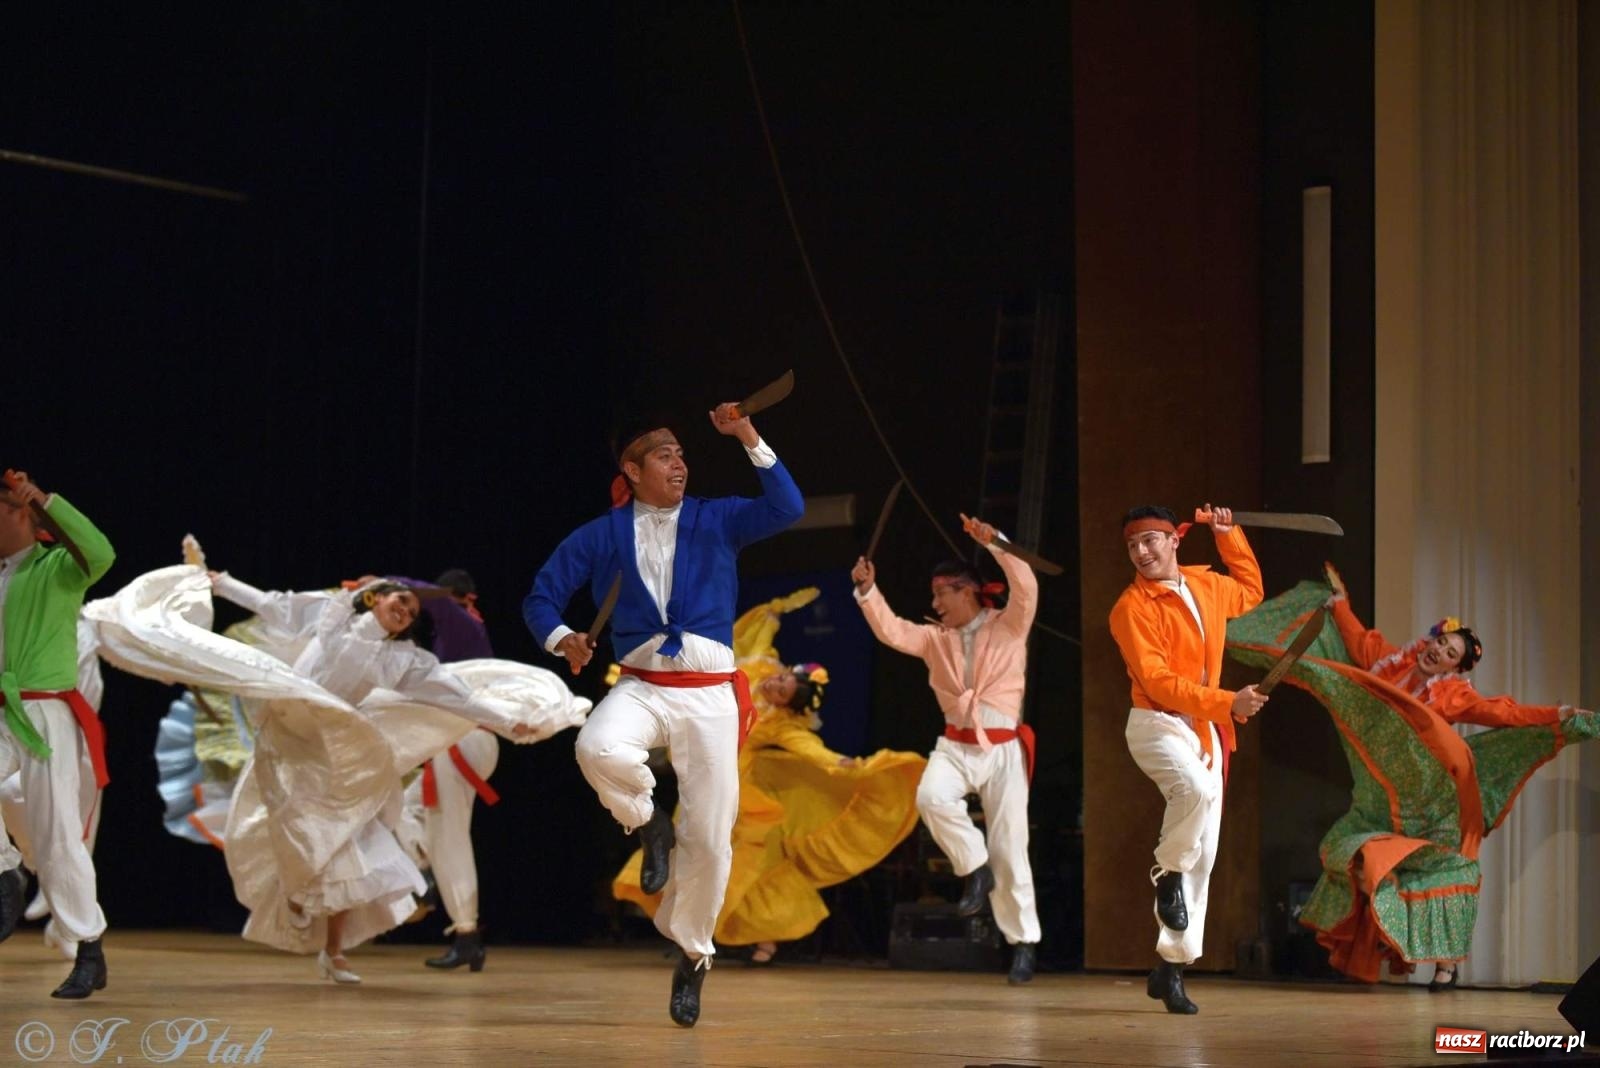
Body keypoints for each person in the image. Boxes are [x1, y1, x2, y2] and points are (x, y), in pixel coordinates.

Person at [85, 552, 576, 985]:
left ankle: (333, 949)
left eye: (409, 610)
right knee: (301, 834)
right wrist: (223, 582)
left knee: (347, 842)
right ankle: (297, 900)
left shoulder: (405, 661)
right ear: (374, 599)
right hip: (289, 736)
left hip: (335, 750)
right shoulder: (334, 614)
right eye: (396, 601)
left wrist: (512, 722)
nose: (404, 610)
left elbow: (458, 697)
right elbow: (275, 605)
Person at [524, 402, 803, 1027]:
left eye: (682, 453)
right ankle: (648, 822)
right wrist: (563, 637)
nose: (680, 463)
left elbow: (788, 507)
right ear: (634, 467)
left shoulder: (717, 518)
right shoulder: (602, 533)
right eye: (664, 455)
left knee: (709, 836)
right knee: (596, 746)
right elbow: (541, 595)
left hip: (709, 696)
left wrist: (747, 435)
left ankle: (694, 955)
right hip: (643, 684)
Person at [1226, 564, 1597, 989]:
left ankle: (1447, 964)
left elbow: (1504, 712)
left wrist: (1557, 715)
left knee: (1448, 871)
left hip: (1429, 802)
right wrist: (1340, 602)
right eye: (1441, 641)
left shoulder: (1453, 695)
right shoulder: (1384, 660)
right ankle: (1388, 944)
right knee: (1358, 858)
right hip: (1381, 798)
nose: (1439, 651)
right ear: (1431, 639)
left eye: (1450, 653)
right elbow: (1354, 635)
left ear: (1455, 669)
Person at [612, 588, 924, 964]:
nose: (774, 686)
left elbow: (812, 751)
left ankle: (762, 939)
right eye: (782, 680)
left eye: (782, 692)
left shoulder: (780, 726)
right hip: (700, 769)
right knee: (688, 848)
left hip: (738, 791)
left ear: (786, 705)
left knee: (745, 862)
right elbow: (758, 637)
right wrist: (772, 614)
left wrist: (843, 765)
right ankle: (688, 932)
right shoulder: (759, 667)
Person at [850, 513, 1042, 985]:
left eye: (942, 594)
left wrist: (995, 541)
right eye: (934, 594)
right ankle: (975, 868)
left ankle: (1022, 944)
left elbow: (1026, 584)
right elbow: (892, 630)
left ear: (967, 590)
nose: (935, 602)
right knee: (931, 797)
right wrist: (868, 592)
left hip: (1001, 750)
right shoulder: (935, 639)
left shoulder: (1009, 625)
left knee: (1011, 847)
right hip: (955, 744)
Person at [1108, 504, 1265, 1015]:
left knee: (1206, 850)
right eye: (1133, 546)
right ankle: (1165, 874)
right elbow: (1156, 682)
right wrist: (1227, 703)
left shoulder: (1207, 585)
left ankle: (1170, 970)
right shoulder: (1130, 607)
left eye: (1151, 540)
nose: (1142, 552)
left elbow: (1251, 591)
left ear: (1176, 539)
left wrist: (1228, 535)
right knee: (1192, 795)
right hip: (1155, 722)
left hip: (1203, 727)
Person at [0, 469, 116, 998]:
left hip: (47, 713)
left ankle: (89, 948)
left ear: (21, 513)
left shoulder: (59, 569)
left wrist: (45, 499)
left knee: (57, 834)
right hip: (3, 710)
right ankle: (7, 877)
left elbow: (100, 553)